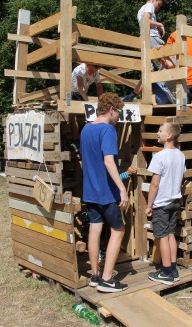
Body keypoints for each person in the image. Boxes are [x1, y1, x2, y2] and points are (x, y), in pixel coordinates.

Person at [80, 93, 129, 293]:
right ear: (111, 110)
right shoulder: (108, 130)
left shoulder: (85, 129)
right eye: (119, 114)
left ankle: (94, 275)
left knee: (94, 230)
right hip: (107, 193)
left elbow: (85, 160)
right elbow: (109, 161)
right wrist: (122, 188)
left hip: (90, 191)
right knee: (118, 231)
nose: (119, 118)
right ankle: (107, 279)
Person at [145, 122, 186, 285]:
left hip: (161, 203)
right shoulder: (180, 155)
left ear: (169, 135)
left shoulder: (159, 156)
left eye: (160, 130)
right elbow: (182, 175)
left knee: (161, 237)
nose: (157, 133)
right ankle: (173, 269)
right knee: (170, 235)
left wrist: (149, 205)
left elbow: (154, 184)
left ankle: (166, 272)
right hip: (175, 201)